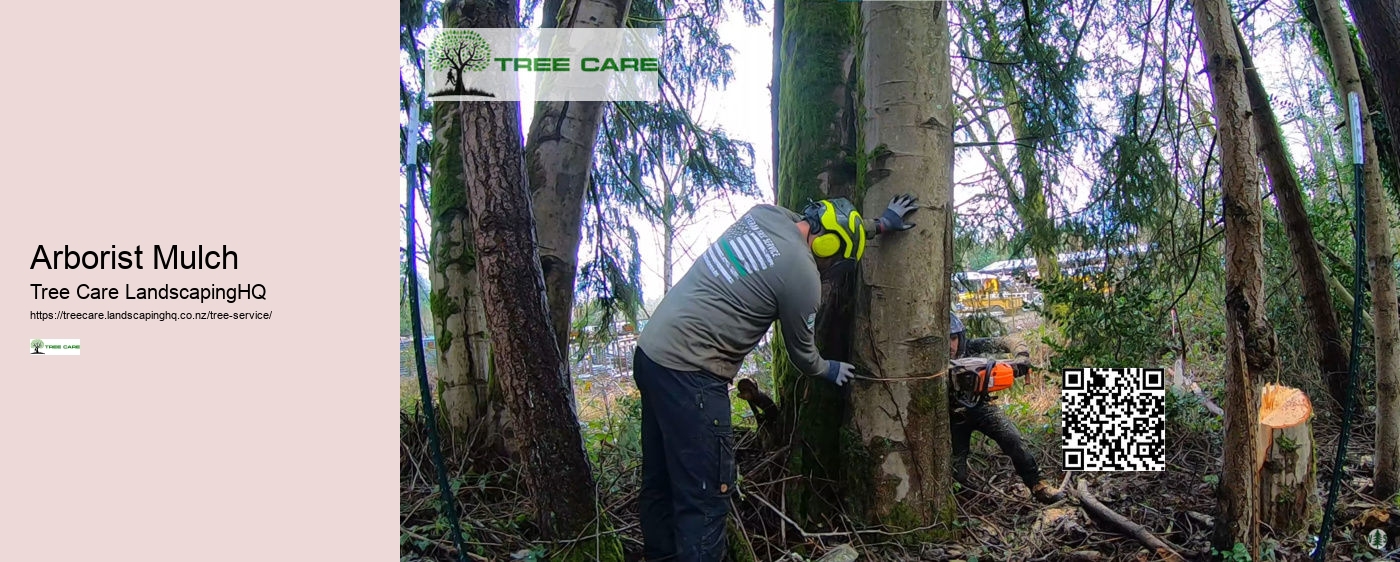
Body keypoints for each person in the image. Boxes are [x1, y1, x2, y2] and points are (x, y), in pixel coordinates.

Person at [633, 194, 920, 561]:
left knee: (660, 482)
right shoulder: (802, 274)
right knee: (704, 496)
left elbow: (832, 226)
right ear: (827, 244)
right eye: (833, 258)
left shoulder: (765, 215)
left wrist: (878, 225)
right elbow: (802, 354)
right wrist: (827, 369)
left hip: (652, 354)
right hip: (692, 374)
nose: (828, 265)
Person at [948, 312, 1066, 504]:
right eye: (946, 339)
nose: (950, 345)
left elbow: (1007, 340)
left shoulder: (971, 346)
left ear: (960, 337)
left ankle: (1038, 485)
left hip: (980, 406)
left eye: (953, 338)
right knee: (956, 468)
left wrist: (1021, 356)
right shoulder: (931, 362)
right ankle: (967, 498)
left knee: (1012, 438)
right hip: (952, 418)